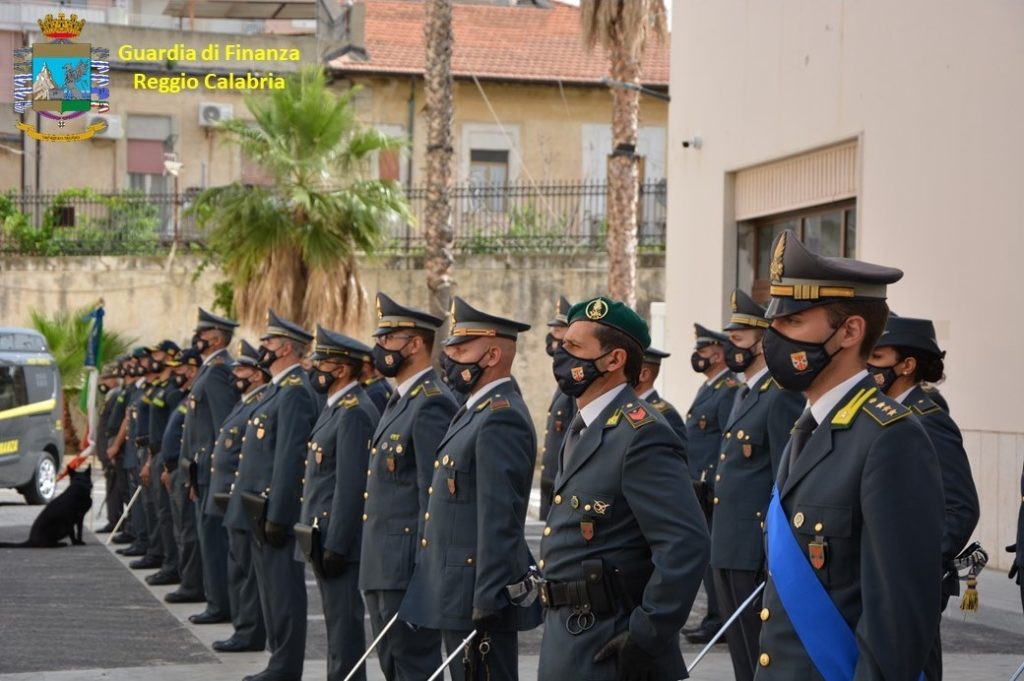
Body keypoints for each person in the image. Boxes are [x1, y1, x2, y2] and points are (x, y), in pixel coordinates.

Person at [755, 229, 943, 679]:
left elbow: (898, 622)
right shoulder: (809, 428)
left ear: (850, 331)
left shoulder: (890, 439)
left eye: (792, 323)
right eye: (773, 323)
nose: (772, 337)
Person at [537, 297, 710, 681]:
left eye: (574, 348)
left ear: (614, 360)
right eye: (562, 345)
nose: (560, 355)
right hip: (567, 635)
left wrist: (646, 634)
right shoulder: (585, 427)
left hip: (609, 642)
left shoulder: (641, 436)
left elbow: (685, 543)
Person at [400, 297, 541, 681]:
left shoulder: (502, 416)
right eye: (450, 348)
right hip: (454, 587)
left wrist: (488, 597)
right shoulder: (475, 409)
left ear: (493, 354)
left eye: (461, 349)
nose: (450, 357)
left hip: (476, 591)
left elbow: (500, 519)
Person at [867, 315, 980, 680]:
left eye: (878, 358)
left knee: (917, 668)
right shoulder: (881, 416)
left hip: (914, 576)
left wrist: (921, 561)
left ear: (907, 365)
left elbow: (961, 506)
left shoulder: (928, 419)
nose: (869, 366)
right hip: (884, 572)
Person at [359, 292, 458, 681]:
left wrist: (424, 566)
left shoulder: (431, 402)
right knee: (392, 663)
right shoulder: (399, 399)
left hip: (405, 566)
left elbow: (430, 494)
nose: (379, 347)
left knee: (412, 663)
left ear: (416, 344)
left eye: (388, 339)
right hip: (382, 562)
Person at [711, 290, 803, 681]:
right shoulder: (744, 393)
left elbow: (786, 476)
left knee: (756, 651)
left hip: (753, 544)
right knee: (739, 651)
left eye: (739, 338)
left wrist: (773, 548)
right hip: (728, 541)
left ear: (763, 341)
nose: (732, 347)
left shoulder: (780, 395)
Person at [227, 309, 318, 681]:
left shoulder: (294, 391)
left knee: (284, 595)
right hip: (259, 510)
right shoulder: (277, 389)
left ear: (283, 348)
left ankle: (285, 667)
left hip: (274, 511)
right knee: (270, 593)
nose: (261, 347)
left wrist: (279, 516)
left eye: (267, 342)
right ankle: (277, 662)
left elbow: (290, 459)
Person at [300, 327, 380, 681]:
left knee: (344, 623)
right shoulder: (335, 408)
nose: (315, 368)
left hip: (338, 541)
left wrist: (336, 544)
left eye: (322, 362)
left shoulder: (354, 412)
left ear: (342, 369)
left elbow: (351, 486)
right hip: (322, 534)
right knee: (335, 622)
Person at [208, 340, 270, 653]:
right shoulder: (245, 402)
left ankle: (249, 633)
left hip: (244, 497)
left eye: (243, 368)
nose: (236, 373)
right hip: (232, 499)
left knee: (246, 570)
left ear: (258, 374)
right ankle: (243, 628)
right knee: (239, 567)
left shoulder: (260, 403)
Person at [681, 323, 739, 645]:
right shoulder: (710, 388)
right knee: (708, 557)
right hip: (699, 485)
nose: (697, 357)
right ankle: (715, 618)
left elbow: (727, 440)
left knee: (715, 556)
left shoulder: (728, 389)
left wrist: (712, 480)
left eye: (702, 352)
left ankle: (720, 620)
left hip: (712, 487)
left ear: (717, 355)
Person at [182, 308, 239, 625]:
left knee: (215, 544)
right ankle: (216, 600)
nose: (197, 338)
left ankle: (220, 605)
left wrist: (219, 476)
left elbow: (222, 430)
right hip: (200, 471)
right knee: (209, 541)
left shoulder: (217, 371)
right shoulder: (209, 369)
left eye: (202, 334)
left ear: (215, 338)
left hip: (210, 472)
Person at [164, 349, 207, 604]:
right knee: (181, 529)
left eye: (178, 370)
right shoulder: (184, 396)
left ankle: (192, 585)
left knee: (189, 531)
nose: (174, 374)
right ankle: (186, 579)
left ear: (191, 370)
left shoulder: (198, 395)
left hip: (187, 471)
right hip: (176, 470)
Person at [142, 340, 185, 586]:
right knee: (161, 513)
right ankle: (167, 561)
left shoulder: (174, 390)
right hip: (155, 454)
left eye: (157, 353)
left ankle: (172, 566)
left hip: (166, 457)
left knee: (170, 516)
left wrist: (165, 464)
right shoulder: (161, 386)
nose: (153, 358)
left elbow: (174, 431)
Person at [539, 295, 576, 521]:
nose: (553, 338)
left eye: (559, 330)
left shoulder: (574, 380)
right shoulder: (562, 379)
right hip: (553, 481)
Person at [635, 347, 688, 449]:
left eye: (629, 370)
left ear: (644, 374)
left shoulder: (665, 413)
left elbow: (678, 455)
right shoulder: (629, 406)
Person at [95, 366, 126, 534]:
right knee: (111, 485)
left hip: (111, 449)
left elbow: (115, 425)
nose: (102, 383)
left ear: (115, 379)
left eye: (106, 379)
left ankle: (116, 520)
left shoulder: (117, 396)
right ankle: (113, 519)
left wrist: (112, 447)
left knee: (115, 487)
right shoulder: (109, 397)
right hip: (104, 448)